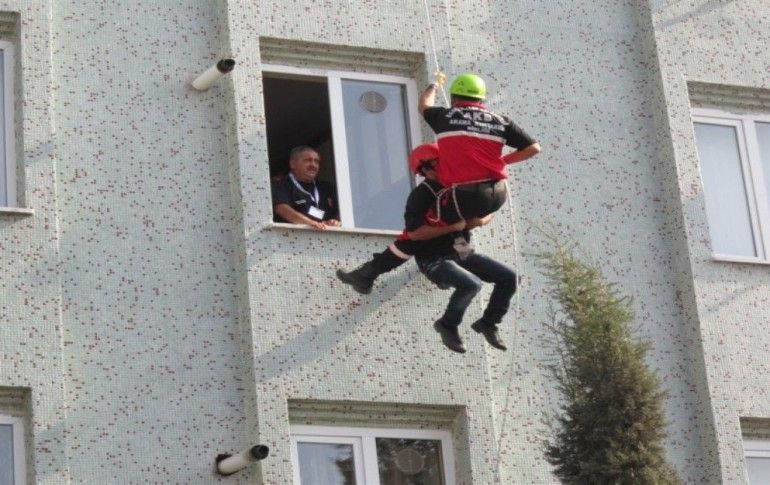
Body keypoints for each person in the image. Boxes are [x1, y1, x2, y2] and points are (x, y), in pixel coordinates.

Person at [336, 144, 465, 294]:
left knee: (414, 242)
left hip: (454, 241)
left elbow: (477, 219)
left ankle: (366, 274)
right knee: (410, 240)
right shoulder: (421, 195)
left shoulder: (452, 187)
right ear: (425, 169)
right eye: (438, 162)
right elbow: (414, 233)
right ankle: (366, 274)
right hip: (444, 242)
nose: (444, 166)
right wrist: (453, 227)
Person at [418, 73, 541, 223]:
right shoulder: (501, 121)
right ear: (481, 99)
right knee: (467, 221)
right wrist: (503, 161)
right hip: (497, 194)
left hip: (465, 194)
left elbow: (424, 106)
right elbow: (533, 148)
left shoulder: (444, 117)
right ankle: (476, 224)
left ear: (453, 98)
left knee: (427, 221)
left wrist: (434, 85)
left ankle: (465, 229)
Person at [271, 146, 340, 230]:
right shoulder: (280, 184)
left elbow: (342, 211)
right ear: (292, 164)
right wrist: (311, 224)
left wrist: (335, 221)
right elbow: (282, 210)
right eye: (308, 160)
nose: (313, 165)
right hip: (294, 236)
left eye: (316, 161)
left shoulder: (326, 187)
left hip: (327, 234)